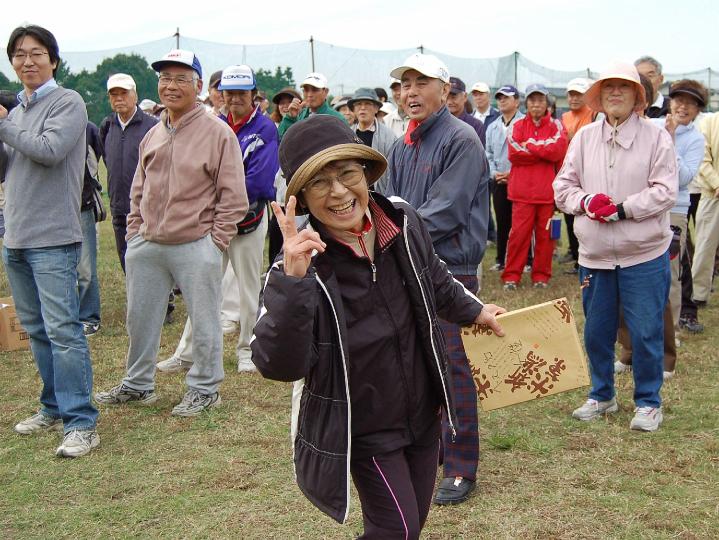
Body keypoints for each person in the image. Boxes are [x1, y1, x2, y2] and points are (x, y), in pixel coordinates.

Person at [251, 114, 505, 538]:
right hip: (364, 425)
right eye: (319, 182)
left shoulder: (402, 220)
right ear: (301, 197)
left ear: (366, 174)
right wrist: (293, 283)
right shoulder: (298, 265)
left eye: (347, 174)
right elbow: (279, 364)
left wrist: (476, 311)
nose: (338, 192)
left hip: (423, 410)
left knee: (410, 524)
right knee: (397, 531)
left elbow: (435, 278)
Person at [94, 49, 248, 416]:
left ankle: (205, 388)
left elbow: (234, 197)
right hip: (148, 244)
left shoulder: (218, 133)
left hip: (196, 243)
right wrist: (135, 234)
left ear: (198, 85)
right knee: (140, 319)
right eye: (165, 78)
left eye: (181, 79)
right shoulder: (154, 132)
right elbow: (139, 188)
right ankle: (138, 384)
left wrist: (214, 242)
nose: (171, 86)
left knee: (205, 321)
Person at [385, 53, 490, 506]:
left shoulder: (461, 139)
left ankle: (462, 466)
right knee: (416, 364)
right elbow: (389, 203)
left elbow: (445, 212)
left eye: (421, 82)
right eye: (404, 84)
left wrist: (388, 237)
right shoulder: (400, 145)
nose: (410, 92)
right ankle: (435, 449)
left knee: (453, 368)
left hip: (451, 269)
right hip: (408, 264)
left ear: (445, 91)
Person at [554, 61, 677, 432]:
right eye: (608, 87)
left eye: (624, 87)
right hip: (595, 256)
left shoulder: (656, 137)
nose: (616, 93)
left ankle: (649, 402)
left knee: (645, 331)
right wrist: (586, 201)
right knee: (597, 330)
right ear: (599, 95)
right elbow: (563, 187)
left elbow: (665, 191)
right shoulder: (585, 137)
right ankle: (602, 394)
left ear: (638, 95)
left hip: (644, 252)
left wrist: (623, 208)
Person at [0, 24, 99, 457]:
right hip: (16, 236)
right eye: (19, 54)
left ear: (53, 60)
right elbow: (11, 167)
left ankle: (81, 422)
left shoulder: (67, 101)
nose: (27, 61)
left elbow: (49, 150)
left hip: (54, 237)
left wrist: (4, 126)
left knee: (63, 331)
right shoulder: (18, 110)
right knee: (37, 330)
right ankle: (54, 406)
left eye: (36, 53)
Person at [157, 64, 278, 374]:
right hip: (216, 221)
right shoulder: (215, 124)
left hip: (249, 220)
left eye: (241, 93)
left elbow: (260, 181)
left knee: (248, 290)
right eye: (229, 93)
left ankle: (248, 350)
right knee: (202, 286)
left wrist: (219, 195)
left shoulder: (265, 128)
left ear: (253, 94)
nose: (234, 99)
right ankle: (186, 353)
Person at [615, 79, 706, 381]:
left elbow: (683, 178)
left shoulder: (695, 139)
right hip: (639, 206)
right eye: (679, 100)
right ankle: (629, 350)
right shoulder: (651, 125)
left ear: (698, 110)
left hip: (674, 210)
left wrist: (670, 141)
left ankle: (669, 342)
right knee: (626, 278)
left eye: (690, 103)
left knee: (667, 279)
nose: (683, 107)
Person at [502, 83, 568, 290]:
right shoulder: (517, 125)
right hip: (521, 193)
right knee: (518, 236)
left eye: (540, 100)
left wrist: (530, 145)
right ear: (526, 103)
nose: (536, 104)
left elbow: (558, 151)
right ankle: (511, 276)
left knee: (546, 237)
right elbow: (514, 153)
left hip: (547, 193)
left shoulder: (557, 126)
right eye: (532, 100)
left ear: (547, 103)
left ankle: (541, 276)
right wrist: (544, 152)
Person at [99, 74, 158, 272]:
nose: (119, 99)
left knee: (149, 262)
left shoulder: (152, 126)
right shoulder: (108, 125)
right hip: (118, 206)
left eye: (123, 93)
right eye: (113, 94)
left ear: (135, 95)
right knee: (126, 260)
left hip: (146, 209)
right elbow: (107, 159)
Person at [485, 85, 524, 272]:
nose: (501, 101)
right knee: (502, 221)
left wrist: (513, 174)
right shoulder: (492, 126)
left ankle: (526, 260)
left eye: (506, 97)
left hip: (520, 181)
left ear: (516, 101)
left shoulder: (525, 123)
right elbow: (488, 154)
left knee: (521, 223)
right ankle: (501, 259)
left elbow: (527, 153)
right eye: (499, 98)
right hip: (498, 181)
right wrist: (494, 173)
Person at [560, 77, 596, 274]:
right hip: (568, 172)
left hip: (587, 173)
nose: (574, 98)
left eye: (579, 95)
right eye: (571, 95)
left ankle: (584, 258)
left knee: (586, 216)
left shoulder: (593, 114)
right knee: (569, 216)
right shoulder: (564, 117)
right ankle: (575, 255)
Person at [78, 121, 103, 337]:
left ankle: (89, 317)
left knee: (85, 268)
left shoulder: (87, 128)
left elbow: (96, 159)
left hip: (81, 204)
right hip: (49, 209)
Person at [691, 109, 719, 307]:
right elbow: (703, 160)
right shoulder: (709, 122)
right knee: (704, 246)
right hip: (712, 195)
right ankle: (698, 294)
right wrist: (716, 184)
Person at [348, 87, 397, 194]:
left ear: (376, 109)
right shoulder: (348, 135)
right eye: (358, 104)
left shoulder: (388, 136)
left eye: (367, 104)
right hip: (355, 193)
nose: (362, 108)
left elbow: (394, 170)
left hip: (381, 194)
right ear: (354, 110)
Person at [278, 72, 346, 137]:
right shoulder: (300, 115)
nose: (309, 95)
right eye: (306, 90)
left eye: (315, 90)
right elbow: (282, 140)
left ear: (325, 91)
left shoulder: (337, 118)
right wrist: (290, 118)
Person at [447, 77, 486, 146]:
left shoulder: (476, 125)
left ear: (465, 97)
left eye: (453, 97)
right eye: (446, 97)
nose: (449, 102)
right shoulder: (437, 123)